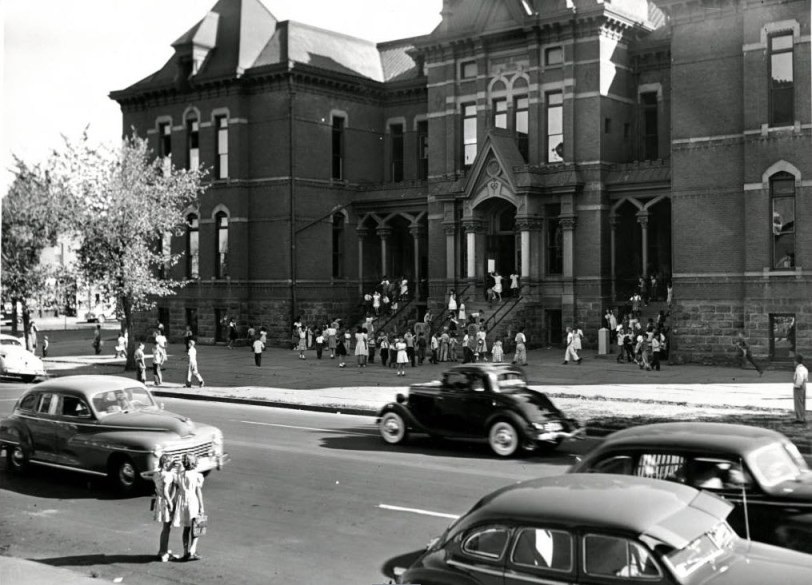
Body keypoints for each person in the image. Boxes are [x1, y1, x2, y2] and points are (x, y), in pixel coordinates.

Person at [173, 453, 205, 562]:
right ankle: (193, 549)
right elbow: (198, 492)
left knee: (186, 528)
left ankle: (185, 551)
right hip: (192, 501)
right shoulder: (196, 475)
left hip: (182, 501)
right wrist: (202, 507)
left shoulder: (179, 475)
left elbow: (176, 489)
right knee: (197, 526)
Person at [153, 454, 177, 562]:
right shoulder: (167, 476)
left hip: (159, 500)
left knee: (165, 528)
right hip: (166, 501)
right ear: (166, 463)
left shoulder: (157, 474)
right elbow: (166, 491)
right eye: (171, 463)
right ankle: (164, 552)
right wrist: (170, 503)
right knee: (167, 528)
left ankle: (162, 550)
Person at [793, 354, 807, 424]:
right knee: (802, 402)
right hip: (803, 386)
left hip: (799, 387)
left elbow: (800, 378)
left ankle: (799, 418)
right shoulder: (804, 368)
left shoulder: (799, 369)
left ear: (796, 361)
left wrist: (798, 385)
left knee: (798, 402)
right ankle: (802, 416)